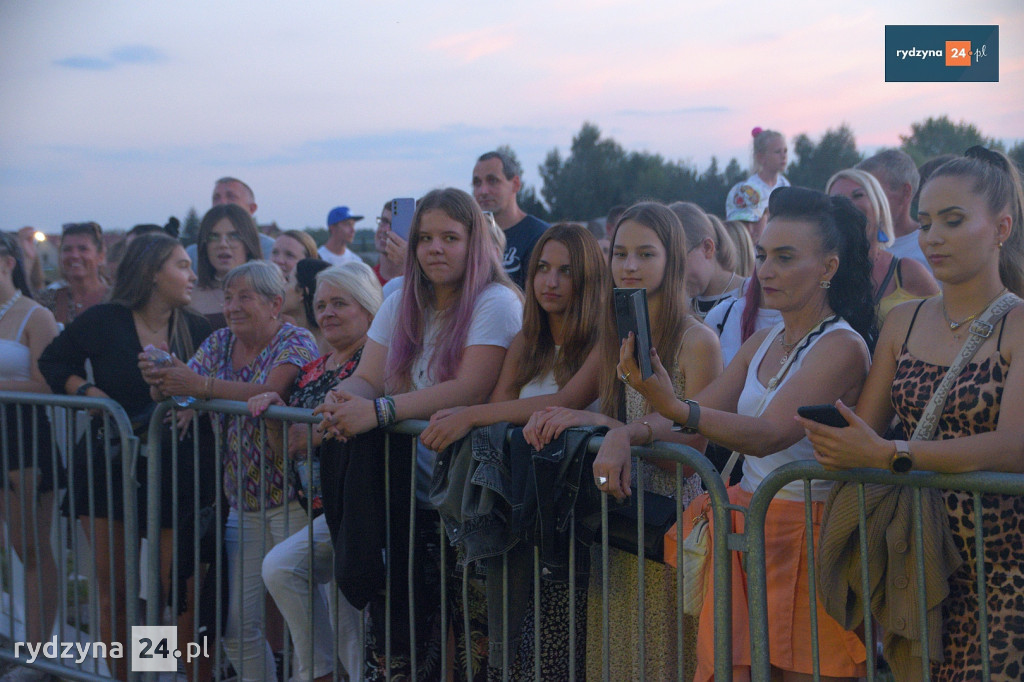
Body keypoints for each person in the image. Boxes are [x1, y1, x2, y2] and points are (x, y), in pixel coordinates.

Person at [608, 187, 876, 680]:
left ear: (829, 268)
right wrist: (629, 434)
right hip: (749, 530)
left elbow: (767, 434)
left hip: (809, 538)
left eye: (785, 257)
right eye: (763, 255)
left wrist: (670, 405)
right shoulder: (766, 337)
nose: (766, 270)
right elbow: (698, 411)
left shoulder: (843, 346)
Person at [800, 147, 1024, 680]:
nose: (932, 237)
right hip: (917, 569)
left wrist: (895, 454)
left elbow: (1016, 447)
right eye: (924, 223)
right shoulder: (902, 322)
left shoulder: (1017, 324)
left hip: (1003, 572)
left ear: (1001, 228)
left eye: (952, 220)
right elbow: (868, 432)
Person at [314, 188, 522, 681]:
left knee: (476, 645)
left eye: (450, 237)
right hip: (403, 499)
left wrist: (380, 412)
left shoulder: (496, 302)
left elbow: (470, 388)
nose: (434, 248)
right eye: (425, 237)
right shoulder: (398, 299)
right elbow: (369, 374)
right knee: (401, 643)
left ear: (475, 243)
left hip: (470, 502)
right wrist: (342, 396)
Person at [523, 202, 724, 681]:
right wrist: (570, 419)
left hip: (670, 521)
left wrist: (623, 435)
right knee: (617, 655)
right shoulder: (616, 332)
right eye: (620, 254)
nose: (630, 266)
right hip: (617, 516)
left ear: (672, 259)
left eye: (645, 254)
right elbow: (572, 401)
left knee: (662, 657)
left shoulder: (698, 341)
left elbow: (696, 447)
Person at [419, 222, 608, 679]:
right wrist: (480, 414)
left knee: (563, 649)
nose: (551, 281)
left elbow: (562, 403)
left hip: (574, 518)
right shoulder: (526, 341)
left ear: (587, 279)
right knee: (513, 645)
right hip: (516, 512)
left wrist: (470, 416)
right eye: (542, 268)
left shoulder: (603, 338)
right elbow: (501, 405)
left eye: (566, 271)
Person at [39, 233, 213, 679]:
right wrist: (98, 399)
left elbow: (216, 386)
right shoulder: (104, 319)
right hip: (107, 461)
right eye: (181, 265)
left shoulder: (198, 328)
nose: (192, 274)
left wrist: (192, 403)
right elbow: (55, 362)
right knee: (116, 592)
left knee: (167, 591)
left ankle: (155, 672)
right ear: (153, 273)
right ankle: (127, 677)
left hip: (177, 469)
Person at [141, 260, 318, 682]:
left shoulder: (296, 339)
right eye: (227, 296)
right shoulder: (220, 341)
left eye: (245, 297)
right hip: (242, 502)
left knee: (309, 624)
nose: (232, 306)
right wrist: (160, 377)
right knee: (236, 626)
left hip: (294, 502)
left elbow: (271, 389)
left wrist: (197, 386)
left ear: (276, 303)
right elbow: (181, 390)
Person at [248, 261, 383, 682]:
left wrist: (316, 434)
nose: (326, 313)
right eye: (321, 304)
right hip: (314, 506)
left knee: (287, 571)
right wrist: (273, 417)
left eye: (340, 303)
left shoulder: (375, 363)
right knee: (343, 624)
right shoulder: (311, 370)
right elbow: (287, 452)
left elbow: (376, 416)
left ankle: (316, 675)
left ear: (369, 309)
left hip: (359, 505)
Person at [0, 232, 61, 681]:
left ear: (6, 262)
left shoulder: (35, 315)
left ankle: (40, 655)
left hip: (23, 439)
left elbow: (48, 383)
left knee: (32, 549)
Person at [826, 169, 939, 325]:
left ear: (878, 206)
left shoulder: (908, 272)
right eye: (838, 199)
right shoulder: (823, 272)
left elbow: (943, 324)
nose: (848, 204)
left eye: (858, 195)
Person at [472, 150, 549, 289]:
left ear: (515, 184)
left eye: (493, 181)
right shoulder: (470, 238)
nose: (483, 191)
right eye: (477, 183)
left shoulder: (540, 236)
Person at [190, 204, 263, 330]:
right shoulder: (188, 297)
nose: (223, 244)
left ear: (248, 243)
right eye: (214, 237)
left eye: (233, 236)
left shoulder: (269, 292)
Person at [857, 149, 928, 267]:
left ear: (905, 192)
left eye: (874, 191)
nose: (865, 202)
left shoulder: (930, 248)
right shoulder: (852, 246)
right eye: (860, 194)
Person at [672, 202, 742, 319]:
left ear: (707, 248)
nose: (674, 275)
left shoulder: (755, 295)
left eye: (678, 262)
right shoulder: (680, 305)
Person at [36, 222, 109, 325]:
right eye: (67, 249)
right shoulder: (49, 300)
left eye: (83, 249)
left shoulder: (116, 299)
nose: (74, 255)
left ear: (100, 256)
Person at [372, 199, 408, 284]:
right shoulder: (364, 280)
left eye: (394, 225)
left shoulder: (416, 284)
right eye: (384, 221)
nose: (385, 230)